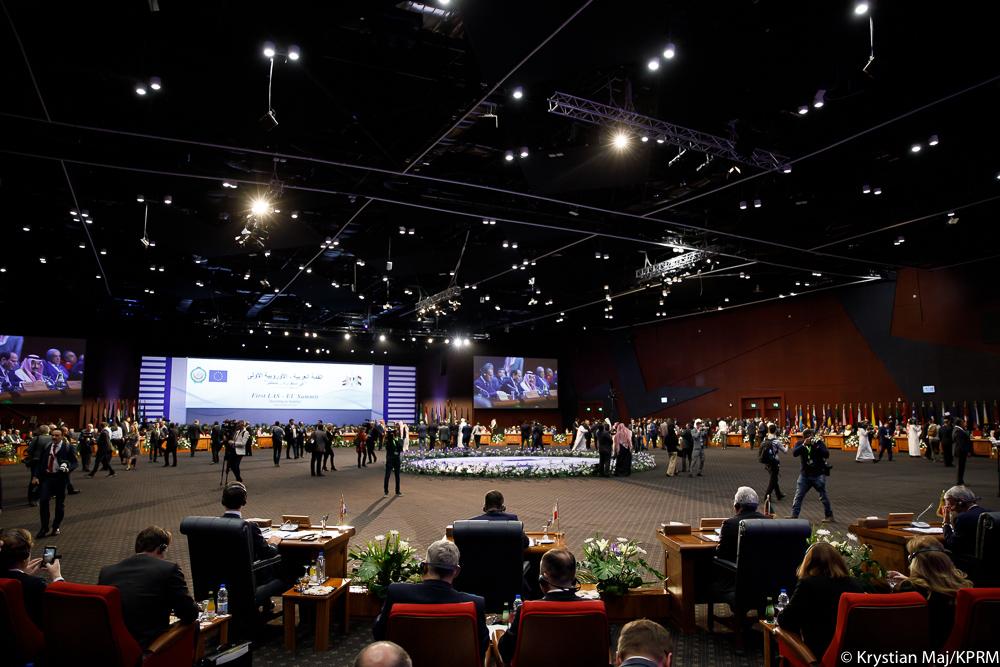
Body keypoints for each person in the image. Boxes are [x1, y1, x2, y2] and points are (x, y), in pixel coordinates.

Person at [373, 540, 488, 657]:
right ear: (456, 571)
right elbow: (481, 648)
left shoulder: (397, 593)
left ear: (424, 567)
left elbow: (379, 634)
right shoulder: (474, 604)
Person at [97, 525, 199, 648]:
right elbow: (189, 613)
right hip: (149, 647)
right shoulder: (169, 569)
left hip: (113, 646)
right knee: (195, 626)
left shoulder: (107, 572)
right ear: (162, 548)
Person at [777, 542, 864, 660]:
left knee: (777, 631)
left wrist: (780, 613)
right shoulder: (856, 585)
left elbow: (786, 620)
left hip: (817, 655)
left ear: (808, 563)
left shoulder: (808, 584)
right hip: (852, 654)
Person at [498, 549, 583, 664]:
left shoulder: (527, 610)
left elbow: (505, 651)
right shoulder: (595, 609)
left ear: (543, 579)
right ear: (574, 578)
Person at [886, 536, 972, 649]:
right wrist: (909, 580)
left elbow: (895, 624)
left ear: (915, 562)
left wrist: (909, 583)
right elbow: (934, 586)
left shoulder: (910, 589)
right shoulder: (963, 585)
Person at [0, 527, 67, 625]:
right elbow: (61, 610)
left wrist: (22, 574)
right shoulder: (36, 584)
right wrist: (57, 577)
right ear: (26, 555)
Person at [32, 427, 77, 537]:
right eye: (52, 435)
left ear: (62, 436)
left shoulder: (68, 447)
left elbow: (75, 462)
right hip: (47, 478)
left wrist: (68, 468)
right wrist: (35, 476)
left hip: (60, 478)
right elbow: (40, 462)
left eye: (57, 435)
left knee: (59, 504)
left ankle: (56, 526)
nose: (54, 437)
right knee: (43, 501)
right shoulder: (47, 446)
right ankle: (44, 528)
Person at [787, 429, 835, 523]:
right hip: (805, 475)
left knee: (823, 496)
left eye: (811, 437)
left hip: (818, 474)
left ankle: (829, 515)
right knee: (799, 495)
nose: (810, 439)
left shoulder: (818, 443)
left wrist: (816, 446)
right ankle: (794, 515)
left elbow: (826, 454)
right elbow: (794, 453)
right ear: (804, 438)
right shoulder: (800, 444)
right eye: (807, 437)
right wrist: (804, 445)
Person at [941, 485, 989, 567]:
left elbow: (952, 544)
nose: (950, 509)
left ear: (960, 502)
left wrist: (946, 523)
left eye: (950, 505)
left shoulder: (963, 518)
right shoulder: (990, 513)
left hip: (970, 563)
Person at [717, 487, 766, 564]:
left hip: (736, 568)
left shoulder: (730, 524)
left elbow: (721, 553)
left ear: (736, 506)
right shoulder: (768, 522)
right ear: (756, 506)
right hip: (762, 568)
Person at [761, 423, 788, 501]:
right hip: (774, 461)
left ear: (768, 430)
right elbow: (785, 451)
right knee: (773, 479)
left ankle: (778, 494)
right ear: (775, 431)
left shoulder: (765, 439)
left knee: (774, 477)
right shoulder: (776, 441)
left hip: (767, 461)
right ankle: (767, 496)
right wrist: (787, 445)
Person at [384, 425, 403, 497]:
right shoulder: (388, 440)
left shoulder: (400, 440)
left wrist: (395, 440)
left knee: (397, 475)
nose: (395, 433)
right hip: (390, 459)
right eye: (394, 432)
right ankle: (386, 492)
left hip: (397, 459)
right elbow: (387, 447)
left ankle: (397, 491)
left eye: (395, 432)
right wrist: (389, 438)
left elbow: (400, 449)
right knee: (387, 475)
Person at [953, 417, 972, 485]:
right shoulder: (959, 431)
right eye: (963, 422)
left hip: (960, 451)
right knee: (960, 467)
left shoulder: (958, 430)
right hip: (961, 452)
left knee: (961, 467)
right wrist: (966, 451)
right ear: (960, 423)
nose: (964, 423)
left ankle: (960, 481)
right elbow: (961, 443)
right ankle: (959, 481)